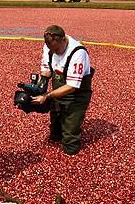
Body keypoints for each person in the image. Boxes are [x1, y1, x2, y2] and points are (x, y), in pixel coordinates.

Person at [31, 25, 93, 155]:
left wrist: (47, 95)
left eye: (57, 49)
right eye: (52, 50)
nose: (54, 52)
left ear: (63, 40)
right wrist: (40, 86)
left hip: (76, 95)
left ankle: (71, 146)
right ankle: (58, 134)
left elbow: (72, 86)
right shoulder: (49, 47)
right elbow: (46, 68)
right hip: (58, 89)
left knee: (70, 142)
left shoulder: (77, 53)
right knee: (55, 132)